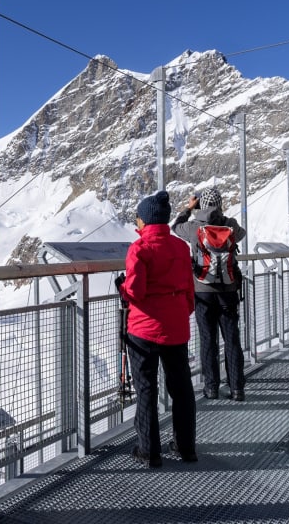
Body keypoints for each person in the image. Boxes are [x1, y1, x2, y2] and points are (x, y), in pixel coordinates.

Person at [117, 190, 197, 467]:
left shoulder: (139, 249)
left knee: (147, 389)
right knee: (182, 388)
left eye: (137, 218)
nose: (136, 222)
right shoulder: (180, 247)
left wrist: (122, 286)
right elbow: (189, 288)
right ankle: (186, 447)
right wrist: (179, 312)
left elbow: (135, 292)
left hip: (144, 330)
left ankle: (149, 451)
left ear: (145, 221)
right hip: (175, 328)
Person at [171, 186, 247, 401]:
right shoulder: (230, 225)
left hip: (203, 291)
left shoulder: (194, 228)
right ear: (220, 204)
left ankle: (211, 388)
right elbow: (242, 234)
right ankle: (237, 388)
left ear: (201, 204)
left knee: (208, 339)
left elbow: (175, 227)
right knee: (231, 339)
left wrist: (188, 209)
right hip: (229, 291)